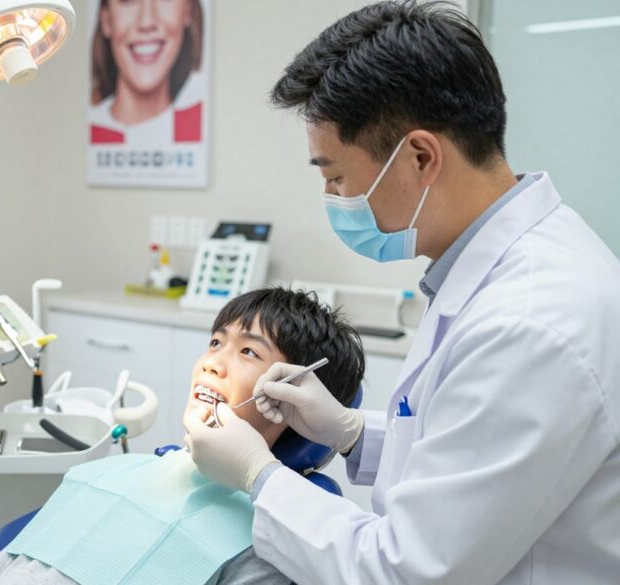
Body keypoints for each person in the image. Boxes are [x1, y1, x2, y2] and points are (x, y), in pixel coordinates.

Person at [183, 2, 620, 584]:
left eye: (336, 176)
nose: (333, 197)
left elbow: (408, 571)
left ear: (419, 157)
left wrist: (259, 475)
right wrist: (351, 431)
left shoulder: (529, 320)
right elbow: (470, 457)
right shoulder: (501, 271)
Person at [0, 287, 365, 585]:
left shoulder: (272, 537)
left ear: (293, 394)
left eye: (249, 351)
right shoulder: (112, 474)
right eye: (215, 342)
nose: (211, 363)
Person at [90, 0, 205, 144]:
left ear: (187, 10)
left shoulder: (203, 117)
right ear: (106, 19)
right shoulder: (83, 130)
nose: (146, 22)